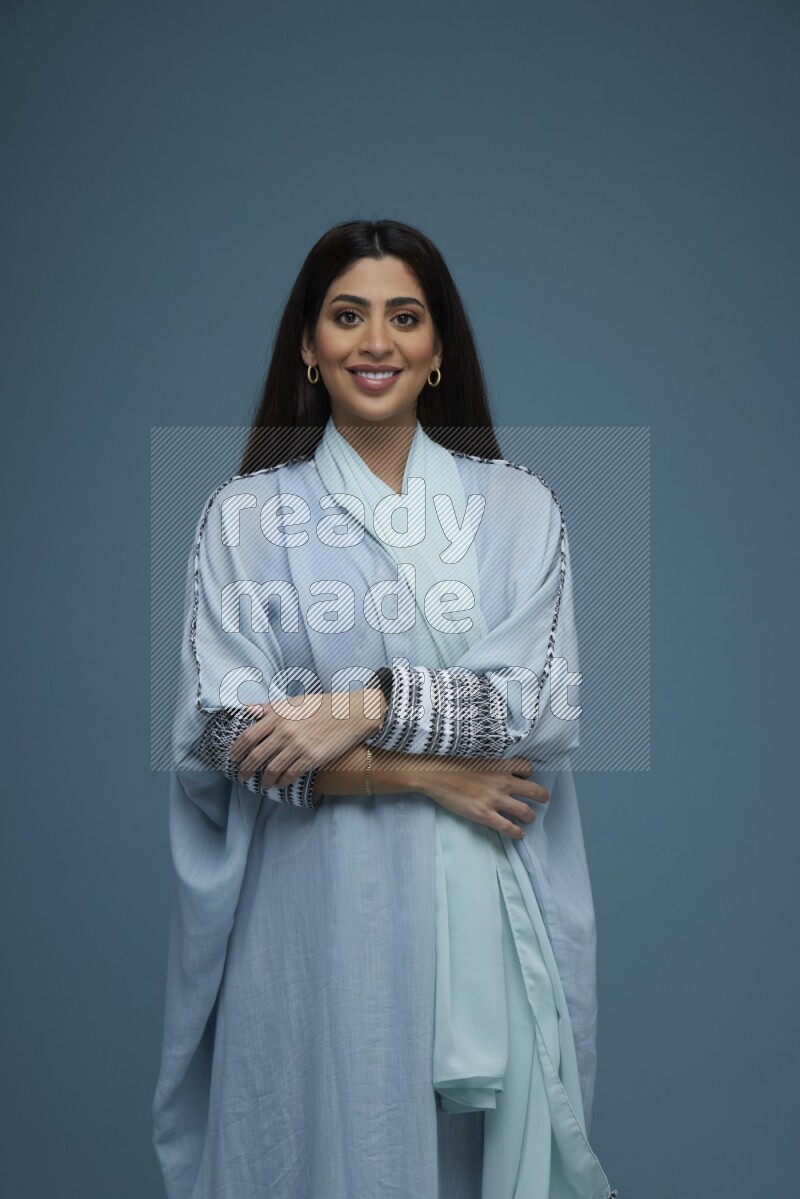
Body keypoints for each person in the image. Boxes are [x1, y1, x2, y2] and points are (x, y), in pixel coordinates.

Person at [151, 218, 618, 1198]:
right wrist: (425, 771)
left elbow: (536, 702)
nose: (376, 341)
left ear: (438, 349)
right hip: (313, 921)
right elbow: (228, 731)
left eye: (403, 317)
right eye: (347, 316)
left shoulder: (517, 507)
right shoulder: (240, 517)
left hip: (484, 925)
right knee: (328, 1142)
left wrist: (362, 702)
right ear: (309, 350)